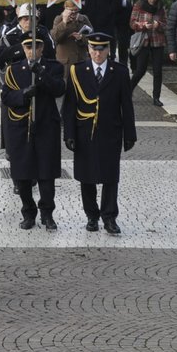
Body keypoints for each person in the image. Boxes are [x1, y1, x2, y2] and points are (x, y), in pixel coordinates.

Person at [64, 29, 136, 234]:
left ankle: (110, 217)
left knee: (110, 177)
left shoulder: (119, 72)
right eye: (94, 49)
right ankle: (91, 216)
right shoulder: (77, 71)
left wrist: (129, 134)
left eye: (102, 49)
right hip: (84, 132)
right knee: (86, 177)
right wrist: (68, 133)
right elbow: (70, 105)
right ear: (88, 49)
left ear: (108, 50)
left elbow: (126, 105)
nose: (97, 53)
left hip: (110, 131)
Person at [1, 36, 66, 230]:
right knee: (22, 174)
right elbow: (6, 97)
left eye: (36, 46)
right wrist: (22, 95)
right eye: (28, 46)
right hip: (21, 127)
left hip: (46, 125)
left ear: (42, 47)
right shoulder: (13, 70)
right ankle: (28, 212)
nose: (32, 50)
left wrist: (41, 73)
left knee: (46, 173)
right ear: (23, 47)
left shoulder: (53, 67)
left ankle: (47, 213)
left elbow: (59, 89)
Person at [128, 0, 169, 107]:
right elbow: (132, 23)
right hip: (143, 41)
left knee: (157, 71)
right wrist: (143, 25)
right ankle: (128, 90)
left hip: (157, 41)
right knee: (140, 69)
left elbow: (166, 24)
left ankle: (156, 97)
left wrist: (158, 25)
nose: (152, 0)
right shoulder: (139, 6)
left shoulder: (161, 7)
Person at [50, 0, 89, 66]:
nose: (73, 14)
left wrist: (81, 37)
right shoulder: (58, 19)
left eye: (76, 11)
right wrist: (64, 22)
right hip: (65, 63)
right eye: (71, 11)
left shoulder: (83, 19)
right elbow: (55, 38)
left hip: (81, 61)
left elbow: (91, 39)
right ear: (65, 9)